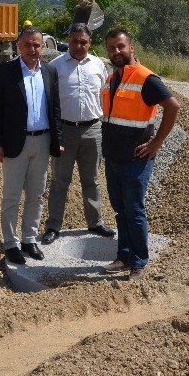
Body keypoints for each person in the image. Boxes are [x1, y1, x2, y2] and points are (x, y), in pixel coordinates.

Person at [100, 28, 179, 281]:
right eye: (111, 48)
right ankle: (123, 256)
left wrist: (157, 142)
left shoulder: (146, 78)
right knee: (120, 209)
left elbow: (173, 106)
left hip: (137, 158)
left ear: (131, 48)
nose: (116, 52)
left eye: (121, 46)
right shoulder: (113, 78)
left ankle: (138, 262)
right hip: (114, 156)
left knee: (133, 210)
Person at [0, 26, 62, 265]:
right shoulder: (4, 72)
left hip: (42, 141)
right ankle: (11, 243)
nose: (33, 49)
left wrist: (57, 141)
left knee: (36, 194)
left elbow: (55, 110)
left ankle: (29, 239)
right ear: (18, 46)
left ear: (43, 46)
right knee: (11, 196)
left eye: (37, 45)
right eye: (28, 44)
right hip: (14, 143)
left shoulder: (50, 72)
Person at [40, 23, 115, 244]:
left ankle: (95, 222)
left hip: (93, 129)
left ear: (90, 42)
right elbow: (48, 100)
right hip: (64, 130)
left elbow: (105, 95)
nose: (79, 46)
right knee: (59, 181)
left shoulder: (99, 66)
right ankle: (53, 226)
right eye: (74, 41)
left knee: (91, 179)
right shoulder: (55, 66)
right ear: (68, 42)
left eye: (83, 42)